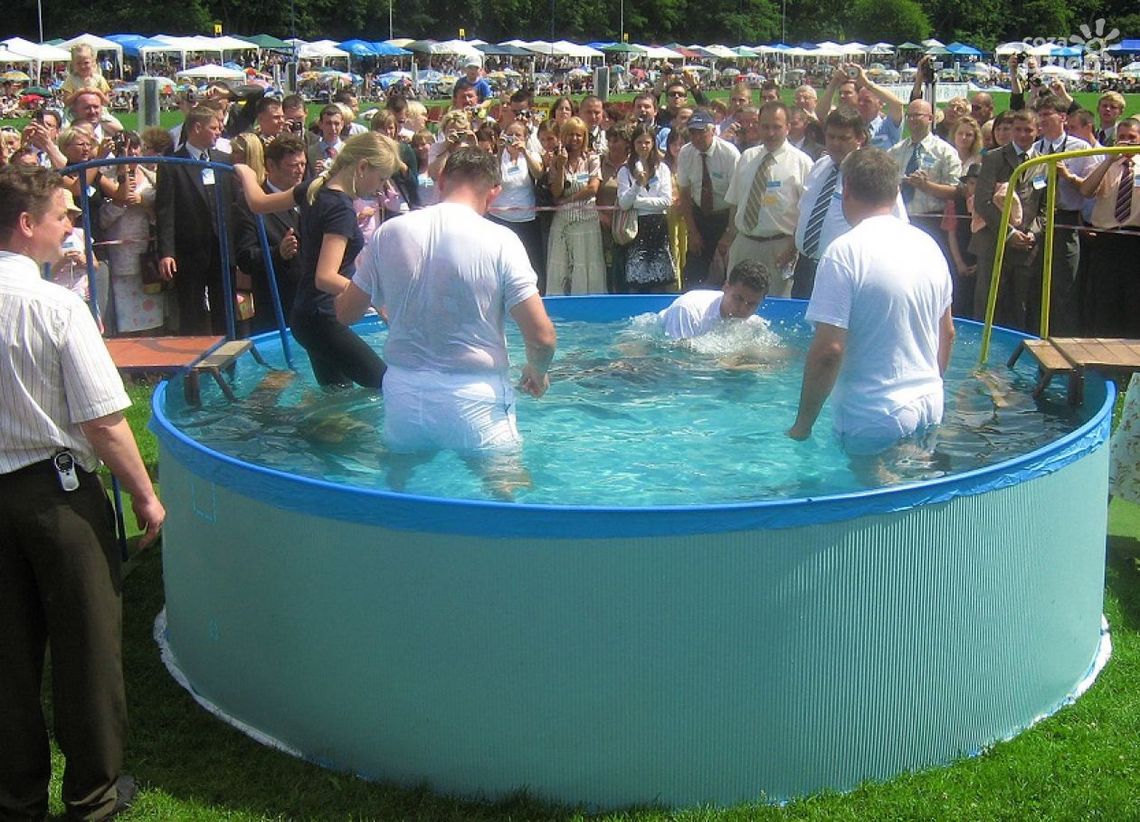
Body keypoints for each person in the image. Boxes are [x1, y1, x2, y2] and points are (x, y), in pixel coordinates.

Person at [0, 164, 164, 822]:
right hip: (57, 495)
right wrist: (147, 498)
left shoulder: (51, 297)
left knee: (7, 656)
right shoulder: (56, 303)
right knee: (88, 649)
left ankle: (16, 799)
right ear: (26, 223)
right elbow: (103, 420)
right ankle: (92, 798)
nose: (71, 225)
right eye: (65, 214)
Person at [335, 147, 556, 478]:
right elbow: (542, 338)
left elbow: (346, 313)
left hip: (404, 393)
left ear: (439, 180)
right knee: (507, 492)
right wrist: (537, 370)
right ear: (494, 192)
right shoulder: (501, 241)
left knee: (398, 488)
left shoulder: (389, 233)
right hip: (475, 397)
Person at [788, 148, 955, 455]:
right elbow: (948, 333)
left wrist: (803, 424)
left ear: (846, 189)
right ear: (896, 191)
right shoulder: (928, 245)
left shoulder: (844, 252)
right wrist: (930, 385)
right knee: (916, 494)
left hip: (873, 412)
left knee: (864, 499)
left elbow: (829, 350)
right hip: (930, 402)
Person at [233, 132, 398, 388]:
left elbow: (258, 203)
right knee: (385, 385)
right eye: (382, 178)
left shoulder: (314, 188)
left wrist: (245, 172)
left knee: (336, 392)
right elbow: (326, 277)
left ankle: (316, 427)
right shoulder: (340, 208)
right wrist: (376, 298)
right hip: (322, 317)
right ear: (363, 167)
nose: (381, 188)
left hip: (305, 315)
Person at [155, 105, 234, 335]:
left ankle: (230, 361)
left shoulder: (224, 161)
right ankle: (195, 364)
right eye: (214, 127)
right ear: (197, 128)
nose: (219, 132)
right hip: (189, 251)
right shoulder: (172, 164)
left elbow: (235, 205)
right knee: (191, 311)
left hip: (222, 249)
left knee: (225, 310)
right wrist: (167, 252)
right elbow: (165, 211)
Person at [720, 101, 812, 298]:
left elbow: (807, 213)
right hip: (744, 243)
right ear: (758, 126)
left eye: (777, 127)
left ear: (787, 127)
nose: (771, 133)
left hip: (779, 249)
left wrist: (792, 247)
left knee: (774, 306)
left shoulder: (802, 163)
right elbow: (735, 203)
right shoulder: (746, 157)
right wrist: (731, 240)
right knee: (734, 303)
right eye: (765, 126)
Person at [232, 134, 307, 333]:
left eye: (303, 164)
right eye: (293, 165)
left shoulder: (309, 197)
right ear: (271, 166)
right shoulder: (250, 203)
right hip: (277, 307)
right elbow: (245, 258)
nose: (300, 170)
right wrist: (278, 253)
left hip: (311, 302)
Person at [101, 130, 164, 335]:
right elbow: (101, 220)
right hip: (119, 257)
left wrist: (144, 203)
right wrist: (120, 204)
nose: (132, 152)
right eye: (127, 148)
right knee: (124, 318)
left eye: (136, 147)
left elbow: (162, 216)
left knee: (152, 316)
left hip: (149, 256)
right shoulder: (106, 178)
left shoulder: (153, 178)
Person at [676, 108, 739, 290]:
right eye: (692, 132)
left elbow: (737, 198)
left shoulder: (729, 154)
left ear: (713, 131)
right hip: (699, 216)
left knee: (726, 275)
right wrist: (693, 231)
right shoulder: (686, 153)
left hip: (725, 216)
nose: (696, 137)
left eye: (701, 132)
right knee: (692, 276)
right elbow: (685, 195)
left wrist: (729, 234)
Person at [547, 116, 605, 294]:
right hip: (563, 223)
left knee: (586, 264)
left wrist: (568, 200)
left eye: (579, 135)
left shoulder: (592, 159)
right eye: (571, 135)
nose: (575, 139)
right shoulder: (556, 161)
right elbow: (556, 192)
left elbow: (592, 188)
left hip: (586, 221)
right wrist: (561, 167)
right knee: (561, 266)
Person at [616, 122, 675, 293]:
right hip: (636, 229)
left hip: (658, 227)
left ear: (653, 144)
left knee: (660, 282)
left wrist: (638, 202)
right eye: (639, 142)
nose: (643, 146)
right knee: (636, 282)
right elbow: (623, 203)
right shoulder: (625, 171)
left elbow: (666, 201)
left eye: (647, 142)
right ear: (633, 145)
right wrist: (637, 186)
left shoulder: (662, 169)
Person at [659, 259, 769, 340]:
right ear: (725, 287)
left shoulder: (754, 324)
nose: (743, 309)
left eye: (752, 304)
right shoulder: (687, 310)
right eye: (738, 298)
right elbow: (675, 358)